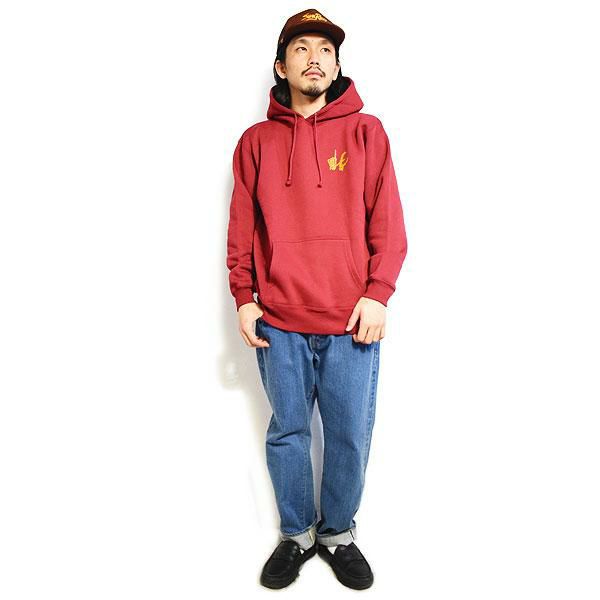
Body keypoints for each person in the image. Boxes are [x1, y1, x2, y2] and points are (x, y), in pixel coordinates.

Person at [226, 8, 408, 590]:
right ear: (281, 67)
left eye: (325, 50)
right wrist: (244, 296)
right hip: (278, 318)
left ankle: (338, 534)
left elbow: (388, 223)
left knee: (349, 434)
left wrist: (378, 294)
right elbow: (241, 227)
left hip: (351, 318)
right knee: (288, 432)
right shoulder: (255, 143)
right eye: (302, 48)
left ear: (336, 65)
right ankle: (297, 534)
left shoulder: (366, 132)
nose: (315, 58)